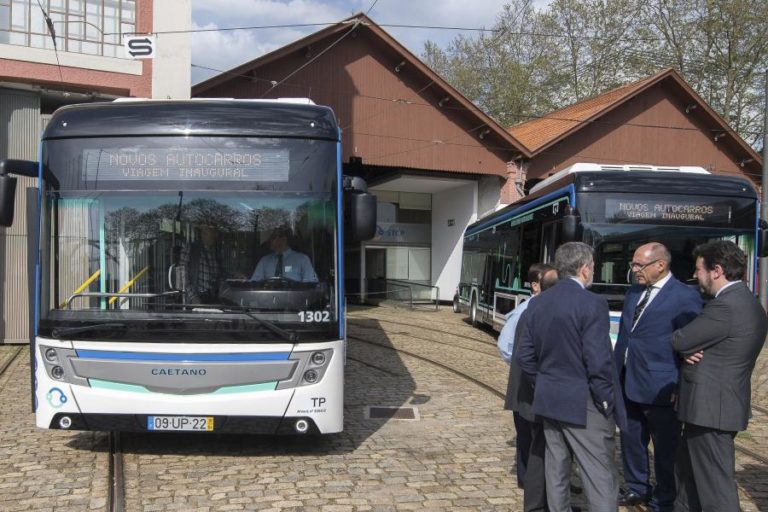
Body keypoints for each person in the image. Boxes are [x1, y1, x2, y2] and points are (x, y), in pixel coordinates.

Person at [517, 242, 626, 512]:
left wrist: (543, 383)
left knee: (556, 470)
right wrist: (605, 400)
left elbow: (524, 357)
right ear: (585, 269)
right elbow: (598, 359)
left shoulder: (538, 303)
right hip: (585, 401)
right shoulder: (593, 303)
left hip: (549, 399)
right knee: (598, 474)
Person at [672, 240, 767, 512]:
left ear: (716, 270)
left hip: (711, 408)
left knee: (715, 489)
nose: (695, 276)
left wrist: (684, 347)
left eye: (698, 269)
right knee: (689, 480)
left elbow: (681, 339)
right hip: (713, 406)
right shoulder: (746, 301)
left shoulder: (726, 305)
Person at [614, 243, 702, 511]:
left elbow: (692, 345)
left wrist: (680, 383)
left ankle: (665, 498)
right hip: (627, 379)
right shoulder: (634, 292)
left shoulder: (685, 296)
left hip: (662, 386)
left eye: (639, 265)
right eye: (633, 264)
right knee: (630, 439)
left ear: (660, 265)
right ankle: (637, 487)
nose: (634, 269)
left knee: (665, 449)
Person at [502, 263, 558, 511]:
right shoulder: (526, 310)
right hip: (526, 387)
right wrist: (521, 371)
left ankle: (539, 484)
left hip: (533, 386)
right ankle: (529, 484)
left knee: (537, 441)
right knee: (529, 441)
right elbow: (506, 346)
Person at [251, 226, 318, 283]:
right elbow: (254, 283)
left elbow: (311, 284)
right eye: (272, 237)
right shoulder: (264, 261)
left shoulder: (302, 259)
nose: (277, 239)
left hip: (295, 297)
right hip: (268, 298)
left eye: (280, 236)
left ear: (285, 238)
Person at [180, 224, 224, 304]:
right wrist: (193, 297)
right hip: (196, 299)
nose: (214, 236)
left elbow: (219, 275)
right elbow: (182, 275)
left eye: (214, 233)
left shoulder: (216, 252)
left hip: (213, 298)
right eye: (205, 232)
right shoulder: (190, 249)